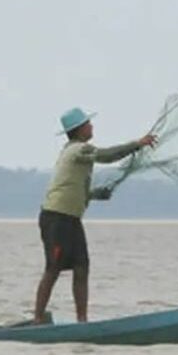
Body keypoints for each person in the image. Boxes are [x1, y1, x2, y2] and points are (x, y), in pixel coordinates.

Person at [34, 107, 156, 324]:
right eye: (88, 124)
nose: (91, 127)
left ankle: (82, 321)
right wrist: (137, 144)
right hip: (56, 218)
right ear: (79, 130)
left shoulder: (76, 152)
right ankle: (38, 318)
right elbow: (107, 156)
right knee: (53, 267)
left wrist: (96, 194)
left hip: (71, 219)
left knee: (82, 267)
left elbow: (74, 188)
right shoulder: (78, 150)